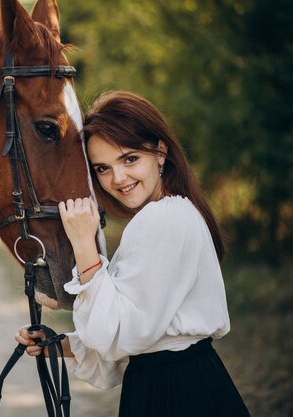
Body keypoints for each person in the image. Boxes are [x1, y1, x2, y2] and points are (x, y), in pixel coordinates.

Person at [15, 91, 250, 417]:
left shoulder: (161, 218)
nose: (118, 179)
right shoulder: (172, 213)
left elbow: (119, 336)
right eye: (102, 168)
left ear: (160, 152)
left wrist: (84, 246)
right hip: (178, 380)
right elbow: (137, 329)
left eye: (129, 159)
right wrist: (61, 345)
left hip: (176, 391)